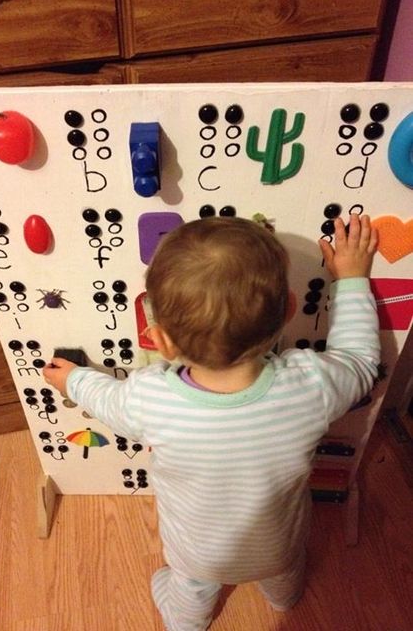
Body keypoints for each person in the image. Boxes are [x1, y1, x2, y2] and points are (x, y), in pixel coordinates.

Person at [43, 214, 379, 631]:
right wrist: (351, 279)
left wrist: (71, 378)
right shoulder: (311, 385)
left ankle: (187, 624)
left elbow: (107, 400)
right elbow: (361, 361)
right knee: (284, 575)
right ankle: (284, 597)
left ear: (160, 340)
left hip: (197, 556)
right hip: (279, 547)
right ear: (289, 311)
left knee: (190, 591)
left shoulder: (151, 398)